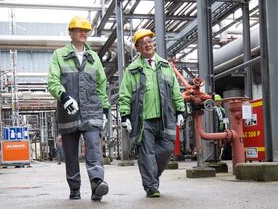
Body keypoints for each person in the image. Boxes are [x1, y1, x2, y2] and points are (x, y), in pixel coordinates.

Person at [48, 16, 110, 201]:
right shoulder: (59, 55)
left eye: (86, 30)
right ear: (71, 32)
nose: (83, 33)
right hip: (68, 114)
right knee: (71, 154)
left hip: (91, 112)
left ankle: (97, 183)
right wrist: (64, 96)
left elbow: (102, 85)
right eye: (78, 30)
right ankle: (74, 188)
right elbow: (52, 81)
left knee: (93, 148)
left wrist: (105, 110)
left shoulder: (94, 58)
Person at [119, 28, 185, 198]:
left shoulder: (165, 66)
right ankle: (151, 187)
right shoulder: (132, 70)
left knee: (167, 148)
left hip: (165, 116)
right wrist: (125, 115)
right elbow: (125, 94)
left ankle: (151, 176)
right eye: (142, 43)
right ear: (138, 48)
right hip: (143, 119)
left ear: (154, 44)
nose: (147, 45)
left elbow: (175, 91)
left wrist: (180, 110)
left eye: (149, 41)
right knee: (146, 153)